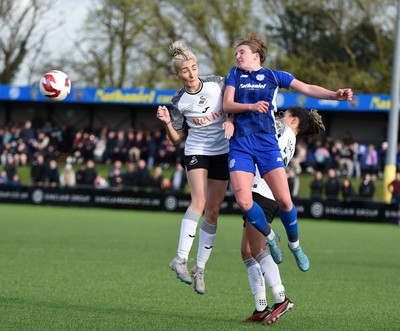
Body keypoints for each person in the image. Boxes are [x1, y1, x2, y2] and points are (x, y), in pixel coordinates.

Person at [223, 33, 352, 271]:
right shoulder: (234, 74)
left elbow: (308, 88)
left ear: (256, 55)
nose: (237, 56)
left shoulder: (273, 76)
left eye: (241, 52)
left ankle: (295, 245)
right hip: (241, 143)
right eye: (236, 53)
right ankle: (271, 237)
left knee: (284, 200)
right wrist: (247, 109)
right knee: (243, 200)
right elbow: (227, 105)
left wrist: (334, 96)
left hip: (265, 143)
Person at [156, 40, 233, 294]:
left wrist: (231, 119)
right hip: (197, 151)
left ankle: (200, 269)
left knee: (212, 212)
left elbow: (232, 105)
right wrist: (168, 122)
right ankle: (179, 259)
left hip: (222, 152)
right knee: (198, 202)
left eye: (194, 67)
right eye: (186, 70)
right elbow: (177, 139)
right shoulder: (178, 101)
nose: (192, 73)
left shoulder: (217, 83)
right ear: (177, 75)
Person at [241, 108, 325, 325]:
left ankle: (281, 298)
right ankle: (261, 306)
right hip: (264, 193)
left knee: (257, 250)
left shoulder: (283, 130)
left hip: (262, 193)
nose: (279, 118)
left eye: (284, 115)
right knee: (247, 251)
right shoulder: (290, 138)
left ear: (293, 120)